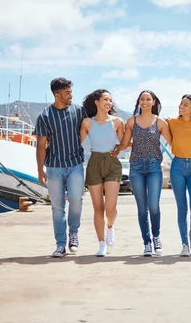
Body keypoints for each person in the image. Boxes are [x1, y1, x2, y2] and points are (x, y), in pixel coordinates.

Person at [35, 77, 87, 258]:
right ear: (57, 95)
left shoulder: (79, 111)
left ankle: (74, 232)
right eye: (67, 93)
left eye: (71, 91)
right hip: (54, 167)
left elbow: (96, 123)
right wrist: (40, 169)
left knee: (76, 200)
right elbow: (41, 145)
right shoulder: (44, 116)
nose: (71, 95)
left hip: (75, 165)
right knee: (57, 207)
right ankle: (60, 244)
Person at [118, 90, 172, 256]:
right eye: (142, 99)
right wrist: (114, 145)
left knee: (153, 206)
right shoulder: (132, 122)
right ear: (139, 102)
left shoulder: (161, 122)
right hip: (136, 167)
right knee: (142, 208)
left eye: (148, 99)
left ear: (154, 101)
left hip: (155, 166)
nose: (145, 102)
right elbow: (124, 144)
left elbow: (173, 143)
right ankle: (147, 242)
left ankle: (156, 237)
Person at [80, 89, 124, 257]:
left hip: (112, 163)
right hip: (94, 163)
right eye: (105, 99)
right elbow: (77, 142)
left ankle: (111, 226)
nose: (108, 103)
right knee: (98, 208)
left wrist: (118, 148)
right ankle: (101, 243)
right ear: (96, 102)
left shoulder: (117, 122)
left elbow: (124, 142)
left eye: (110, 100)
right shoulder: (87, 123)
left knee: (110, 209)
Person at [167, 94, 191, 257]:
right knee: (182, 208)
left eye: (185, 104)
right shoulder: (171, 122)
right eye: (181, 103)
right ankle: (184, 243)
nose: (181, 106)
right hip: (177, 166)